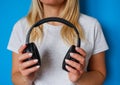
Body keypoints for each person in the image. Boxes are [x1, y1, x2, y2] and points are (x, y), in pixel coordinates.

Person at [7, 0, 109, 85]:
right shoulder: (21, 26)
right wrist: (27, 78)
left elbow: (100, 75)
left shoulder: (91, 25)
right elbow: (15, 76)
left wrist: (80, 78)